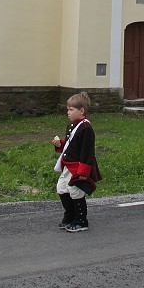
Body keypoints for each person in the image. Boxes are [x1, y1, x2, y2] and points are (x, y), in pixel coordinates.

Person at [53, 91, 100, 232]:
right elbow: (70, 146)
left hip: (79, 166)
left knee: (75, 190)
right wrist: (59, 145)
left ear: (81, 111)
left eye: (71, 110)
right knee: (61, 188)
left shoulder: (86, 128)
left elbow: (87, 152)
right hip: (68, 165)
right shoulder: (72, 126)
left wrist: (83, 173)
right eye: (68, 109)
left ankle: (81, 220)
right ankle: (70, 215)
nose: (68, 112)